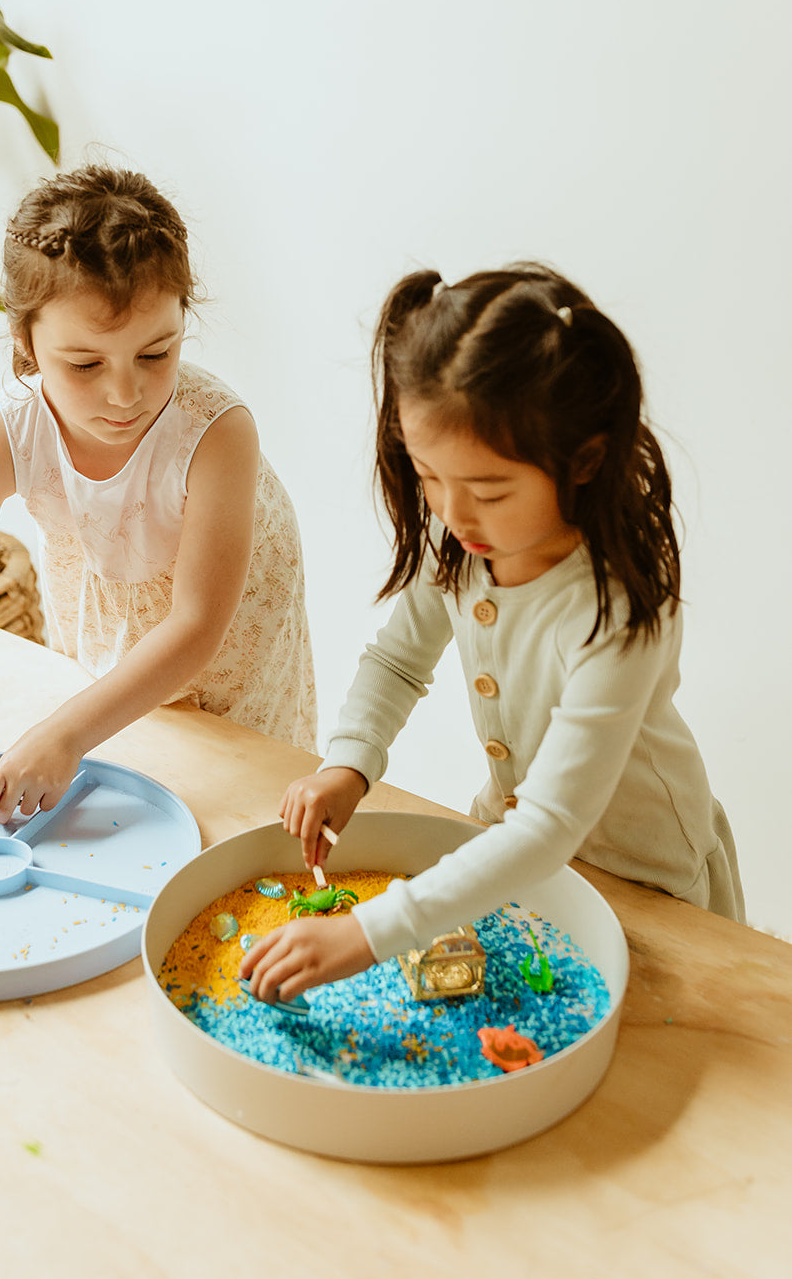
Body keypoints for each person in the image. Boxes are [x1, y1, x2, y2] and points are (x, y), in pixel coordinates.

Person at [243, 261, 743, 1004]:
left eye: (489, 490)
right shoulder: (460, 551)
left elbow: (549, 826)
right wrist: (346, 766)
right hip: (517, 838)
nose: (453, 513)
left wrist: (366, 933)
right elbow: (396, 661)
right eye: (427, 476)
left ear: (583, 460)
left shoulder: (620, 613)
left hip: (645, 874)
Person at [0, 165, 316, 876]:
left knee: (232, 808)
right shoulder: (6, 435)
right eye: (82, 364)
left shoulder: (217, 435)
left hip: (228, 650)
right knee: (129, 778)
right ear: (26, 344)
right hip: (111, 618)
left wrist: (63, 734)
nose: (125, 392)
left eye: (156, 352)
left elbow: (198, 626)